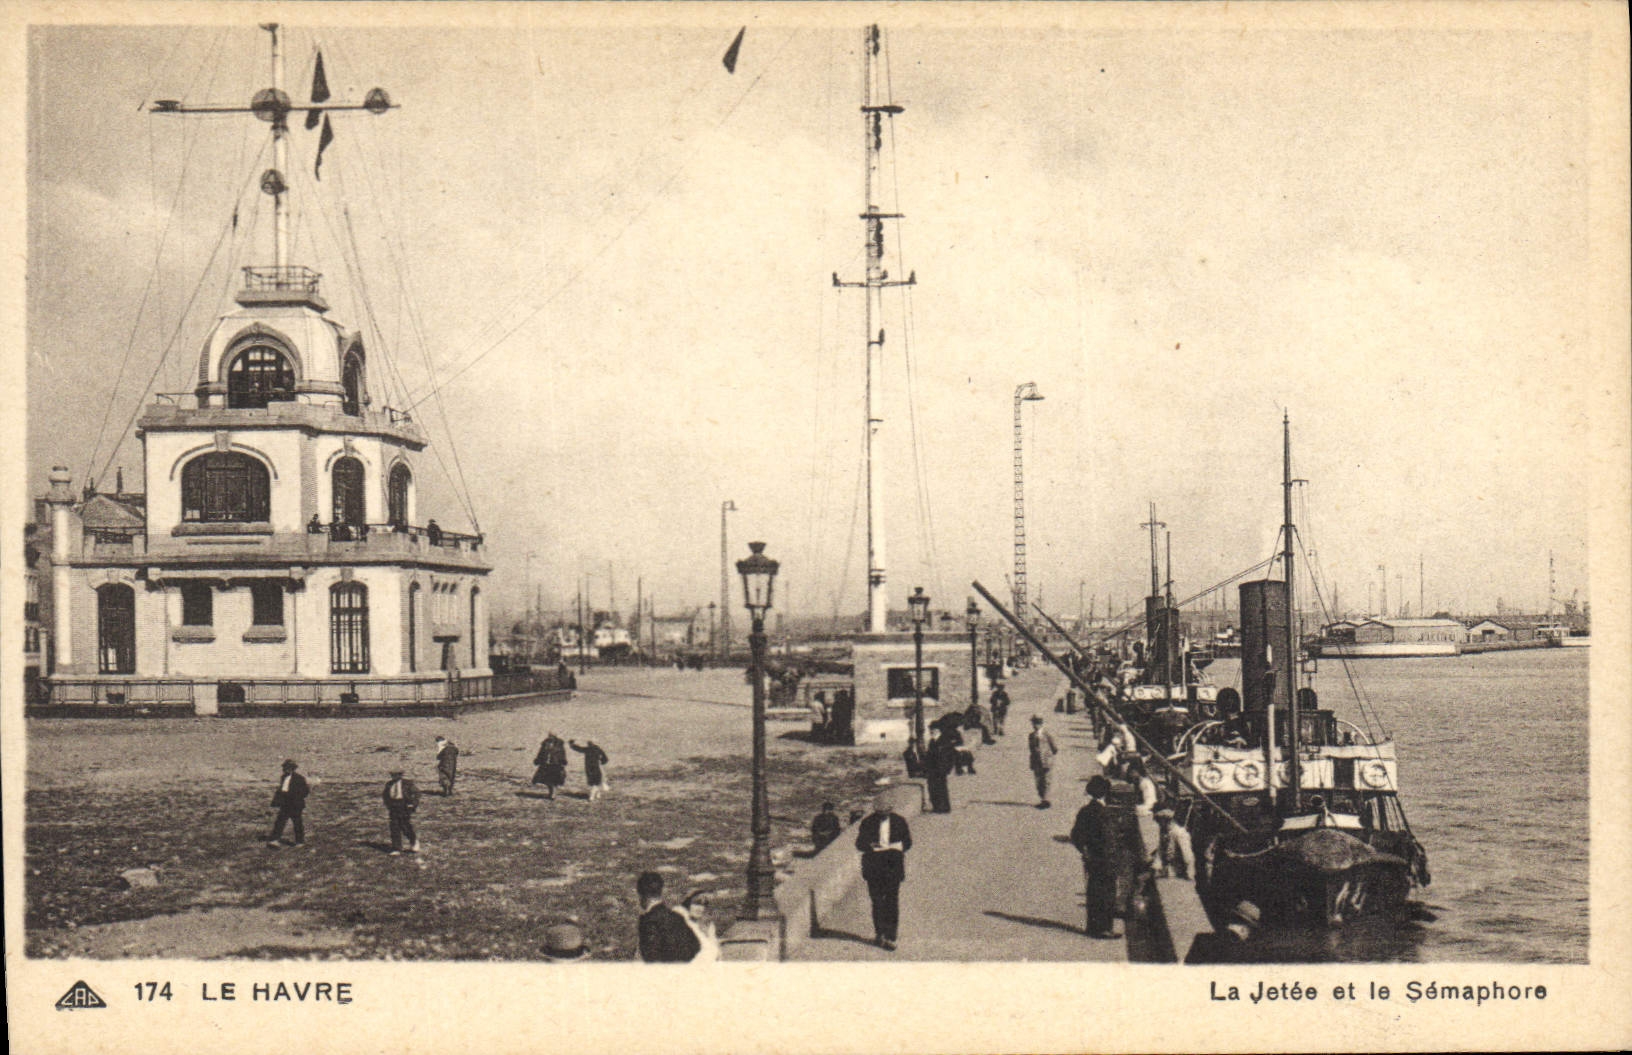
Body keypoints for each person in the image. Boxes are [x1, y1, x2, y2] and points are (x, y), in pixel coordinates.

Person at [854, 795, 913, 950]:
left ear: (891, 810)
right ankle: (880, 933)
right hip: (874, 867)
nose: (883, 815)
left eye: (886, 812)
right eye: (880, 813)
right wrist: (871, 846)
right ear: (876, 811)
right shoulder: (867, 822)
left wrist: (898, 847)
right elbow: (859, 844)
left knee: (892, 902)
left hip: (893, 865)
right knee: (877, 902)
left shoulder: (899, 821)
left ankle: (891, 936)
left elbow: (908, 843)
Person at [1070, 774, 1120, 938]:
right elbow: (1110, 839)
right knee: (1108, 893)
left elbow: (1075, 835)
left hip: (1092, 858)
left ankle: (1093, 927)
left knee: (1093, 891)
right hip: (1106, 859)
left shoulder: (1085, 811)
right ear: (1105, 793)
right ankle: (1105, 928)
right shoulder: (1105, 813)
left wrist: (1085, 851)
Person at [636, 871, 701, 962]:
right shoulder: (677, 917)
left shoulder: (648, 921)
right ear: (661, 891)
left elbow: (651, 959)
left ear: (641, 895)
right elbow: (695, 948)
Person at [267, 759, 309, 848]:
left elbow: (305, 791)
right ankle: (274, 840)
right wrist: (274, 803)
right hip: (285, 804)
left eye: (288, 768)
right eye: (285, 767)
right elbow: (280, 791)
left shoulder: (299, 778)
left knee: (297, 823)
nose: (286, 769)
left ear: (293, 768)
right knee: (280, 821)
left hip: (295, 805)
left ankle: (300, 842)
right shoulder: (283, 777)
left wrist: (296, 798)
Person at [383, 769, 421, 855]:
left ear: (400, 775)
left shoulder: (407, 784)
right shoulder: (389, 784)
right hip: (393, 807)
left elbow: (417, 794)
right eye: (392, 775)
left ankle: (414, 841)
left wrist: (412, 804)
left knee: (405, 826)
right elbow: (385, 796)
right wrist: (388, 805)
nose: (393, 777)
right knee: (394, 827)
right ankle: (397, 848)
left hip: (404, 806)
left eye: (396, 775)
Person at [680, 891, 721, 964]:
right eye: (696, 904)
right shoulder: (683, 926)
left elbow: (717, 953)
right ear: (687, 904)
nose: (700, 908)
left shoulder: (708, 927)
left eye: (704, 905)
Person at [1028, 714, 1059, 809]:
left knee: (1046, 780)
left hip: (1046, 761)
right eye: (1034, 724)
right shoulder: (1031, 736)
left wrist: (1048, 755)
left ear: (1041, 724)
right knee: (1038, 781)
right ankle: (1042, 797)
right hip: (1036, 761)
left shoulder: (1047, 735)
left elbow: (1055, 748)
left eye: (1037, 724)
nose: (1035, 726)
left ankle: (1045, 799)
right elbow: (1031, 749)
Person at [924, 731, 954, 814]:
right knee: (933, 788)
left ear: (938, 731)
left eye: (933, 731)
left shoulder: (944, 741)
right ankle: (937, 807)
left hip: (941, 769)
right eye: (931, 731)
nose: (931, 732)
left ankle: (944, 807)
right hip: (933, 769)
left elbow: (951, 755)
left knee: (941, 788)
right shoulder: (932, 741)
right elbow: (929, 756)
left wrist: (948, 768)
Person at [532, 731, 568, 798]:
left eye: (552, 736)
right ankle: (551, 792)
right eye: (549, 736)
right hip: (546, 764)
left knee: (554, 780)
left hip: (555, 764)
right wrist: (538, 760)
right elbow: (541, 753)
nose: (550, 737)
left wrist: (563, 761)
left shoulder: (559, 744)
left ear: (555, 736)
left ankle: (553, 794)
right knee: (547, 780)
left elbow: (562, 754)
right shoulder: (545, 743)